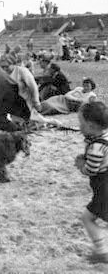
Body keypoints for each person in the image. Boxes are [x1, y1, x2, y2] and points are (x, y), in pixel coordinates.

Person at [74, 102, 108, 262]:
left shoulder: (96, 147)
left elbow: (91, 170)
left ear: (91, 125)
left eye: (81, 123)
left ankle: (101, 251)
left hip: (104, 189)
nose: (79, 127)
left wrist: (82, 165)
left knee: (87, 218)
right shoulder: (104, 137)